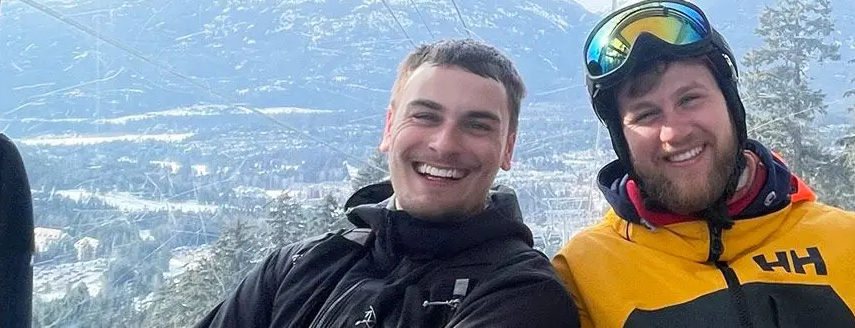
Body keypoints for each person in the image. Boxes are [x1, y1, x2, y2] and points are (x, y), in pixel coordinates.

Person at [552, 0, 855, 328]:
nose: (673, 132)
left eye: (690, 99)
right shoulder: (586, 273)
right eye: (645, 115)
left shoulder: (850, 244)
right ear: (622, 139)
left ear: (731, 106)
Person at [194, 38, 580, 328]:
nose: (444, 144)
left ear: (507, 149)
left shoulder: (522, 295)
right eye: (425, 116)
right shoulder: (295, 268)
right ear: (389, 128)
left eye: (477, 125)